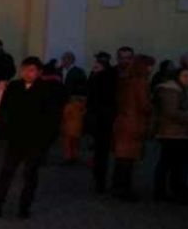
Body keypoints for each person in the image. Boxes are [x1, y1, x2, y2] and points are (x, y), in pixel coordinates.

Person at [0, 57, 62, 219]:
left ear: (39, 72)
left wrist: (46, 140)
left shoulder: (47, 90)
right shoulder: (15, 87)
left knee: (30, 174)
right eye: (24, 69)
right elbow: (2, 106)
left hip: (35, 140)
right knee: (6, 172)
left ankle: (24, 207)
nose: (27, 73)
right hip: (16, 138)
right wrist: (0, 91)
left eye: (31, 70)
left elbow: (52, 117)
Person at [152, 68, 188, 204]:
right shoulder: (172, 90)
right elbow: (171, 112)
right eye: (185, 76)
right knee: (173, 163)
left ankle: (170, 190)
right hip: (173, 132)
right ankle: (170, 190)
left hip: (178, 132)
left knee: (172, 163)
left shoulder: (182, 90)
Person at [111, 54, 155, 201]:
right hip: (134, 123)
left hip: (123, 121)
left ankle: (117, 187)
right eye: (149, 65)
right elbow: (144, 106)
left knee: (122, 158)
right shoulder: (140, 82)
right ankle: (124, 189)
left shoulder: (125, 80)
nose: (151, 69)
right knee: (128, 159)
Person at [85, 52, 117, 193]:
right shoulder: (103, 75)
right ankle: (101, 182)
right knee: (101, 153)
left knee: (102, 153)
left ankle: (102, 182)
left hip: (104, 118)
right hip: (101, 119)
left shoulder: (105, 76)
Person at [58, 51, 87, 164]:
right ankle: (72, 155)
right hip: (73, 104)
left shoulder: (74, 72)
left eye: (64, 60)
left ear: (69, 60)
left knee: (69, 133)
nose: (63, 62)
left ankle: (69, 156)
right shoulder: (77, 72)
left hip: (72, 104)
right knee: (72, 133)